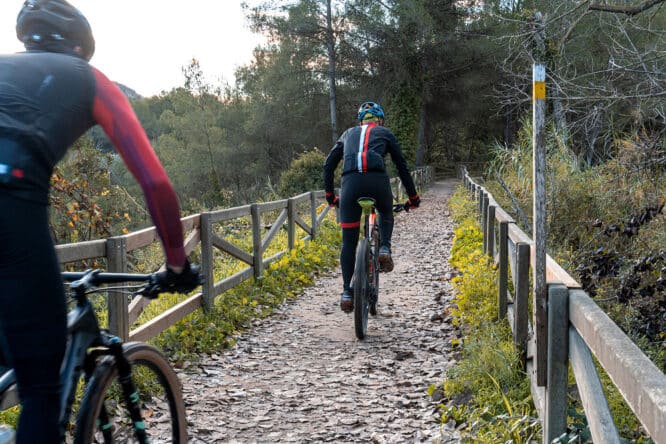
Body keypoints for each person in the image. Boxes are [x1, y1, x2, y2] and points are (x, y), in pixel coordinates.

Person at [0, 1, 200, 442]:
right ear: (81, 45)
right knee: (39, 388)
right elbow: (156, 183)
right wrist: (177, 265)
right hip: (12, 209)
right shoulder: (90, 80)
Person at [323, 101, 421, 313]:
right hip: (377, 183)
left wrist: (331, 196)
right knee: (386, 211)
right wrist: (413, 197)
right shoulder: (385, 133)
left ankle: (347, 293)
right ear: (380, 120)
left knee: (348, 243)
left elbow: (328, 164)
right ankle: (384, 247)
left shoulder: (347, 134)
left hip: (350, 186)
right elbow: (402, 167)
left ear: (360, 121)